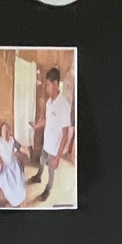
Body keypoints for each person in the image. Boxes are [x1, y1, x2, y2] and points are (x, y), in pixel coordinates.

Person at [36, 66, 73, 201]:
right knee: (41, 160)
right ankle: (38, 176)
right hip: (46, 143)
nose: (46, 89)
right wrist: (37, 125)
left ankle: (48, 189)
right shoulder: (49, 102)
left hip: (55, 148)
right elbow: (47, 120)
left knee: (51, 171)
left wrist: (58, 158)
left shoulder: (63, 106)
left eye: (48, 85)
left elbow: (65, 135)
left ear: (56, 84)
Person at [0, 119, 27, 208]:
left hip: (13, 165)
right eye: (4, 131)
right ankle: (15, 202)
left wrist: (26, 151)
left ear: (10, 131)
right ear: (1, 132)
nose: (6, 133)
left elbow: (20, 147)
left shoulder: (12, 139)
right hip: (4, 168)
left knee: (18, 183)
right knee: (7, 184)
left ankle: (22, 203)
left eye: (7, 131)